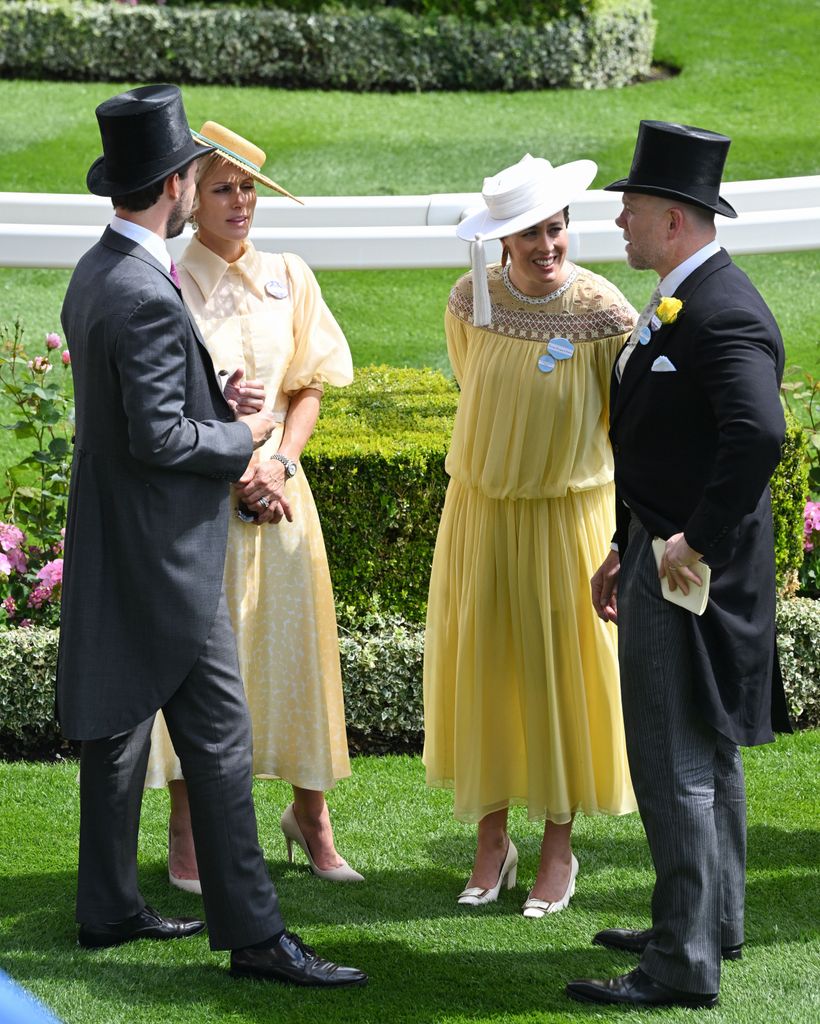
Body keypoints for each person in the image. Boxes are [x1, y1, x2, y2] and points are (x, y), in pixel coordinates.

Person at [58, 84, 366, 988]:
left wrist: (206, 408)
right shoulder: (148, 290)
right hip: (172, 560)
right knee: (223, 743)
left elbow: (133, 417)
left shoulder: (95, 269)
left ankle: (108, 906)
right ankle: (258, 939)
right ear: (172, 187)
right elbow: (158, 438)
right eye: (196, 176)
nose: (204, 188)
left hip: (119, 546)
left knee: (117, 729)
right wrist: (241, 435)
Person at [567, 121, 790, 1009]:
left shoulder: (723, 310)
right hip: (661, 559)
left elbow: (759, 435)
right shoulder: (686, 301)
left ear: (671, 218)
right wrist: (628, 545)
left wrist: (689, 543)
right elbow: (670, 446)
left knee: (673, 765)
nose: (617, 225)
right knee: (708, 754)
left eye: (628, 211)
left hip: (690, 579)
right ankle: (709, 923)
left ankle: (679, 963)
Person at [143, 120, 360, 889]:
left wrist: (280, 462)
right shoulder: (167, 282)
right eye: (222, 188)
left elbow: (310, 385)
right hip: (204, 511)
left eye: (248, 190)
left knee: (296, 656)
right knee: (202, 667)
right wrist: (234, 462)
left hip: (283, 502)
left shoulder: (290, 275)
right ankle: (187, 826)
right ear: (189, 199)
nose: (239, 202)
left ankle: (313, 820)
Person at [423, 154, 637, 917]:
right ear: (502, 241)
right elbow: (476, 388)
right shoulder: (466, 301)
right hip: (481, 512)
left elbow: (626, 422)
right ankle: (491, 844)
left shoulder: (607, 313)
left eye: (556, 229)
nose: (547, 246)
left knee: (558, 678)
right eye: (529, 234)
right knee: (485, 665)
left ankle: (557, 848)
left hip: (567, 520)